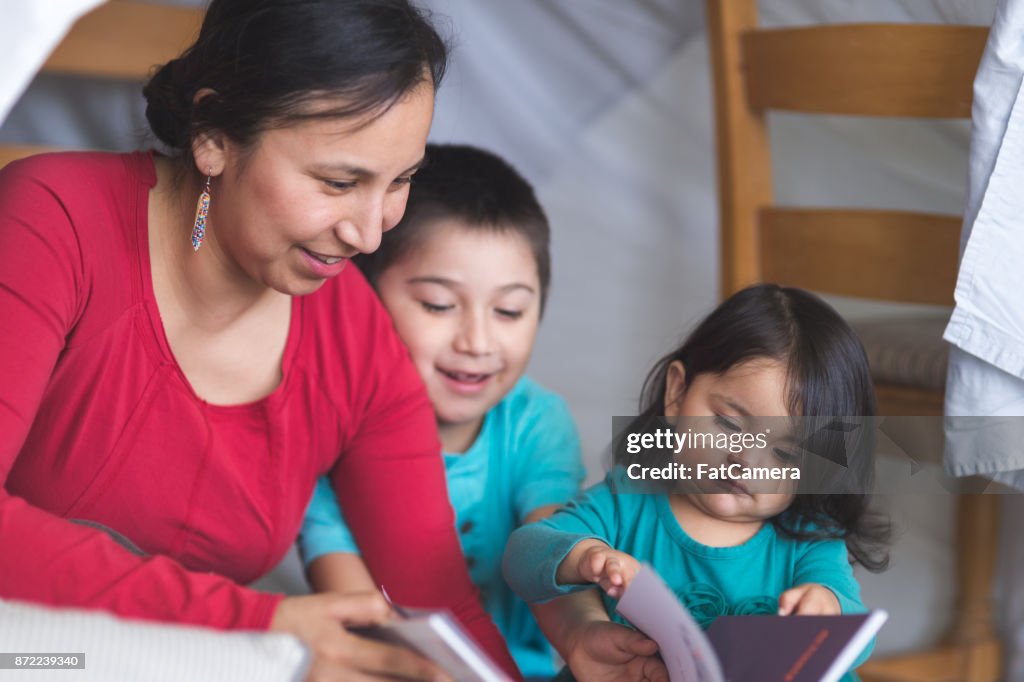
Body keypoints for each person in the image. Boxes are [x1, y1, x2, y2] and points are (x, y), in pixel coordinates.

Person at [0, 1, 521, 679]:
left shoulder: (354, 338)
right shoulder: (53, 221)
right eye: (339, 182)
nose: (369, 234)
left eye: (401, 182)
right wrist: (259, 625)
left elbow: (438, 602)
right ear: (214, 133)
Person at [502, 284, 890, 682]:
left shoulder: (810, 541)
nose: (746, 461)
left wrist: (826, 608)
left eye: (786, 454)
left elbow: (860, 640)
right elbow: (522, 553)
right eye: (728, 423)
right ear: (677, 393)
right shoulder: (628, 500)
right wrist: (583, 555)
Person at [299, 143, 586, 679]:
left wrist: (591, 628)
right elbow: (351, 601)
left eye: (509, 310)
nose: (477, 341)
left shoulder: (537, 424)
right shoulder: (328, 429)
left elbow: (553, 555)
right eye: (438, 304)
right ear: (362, 296)